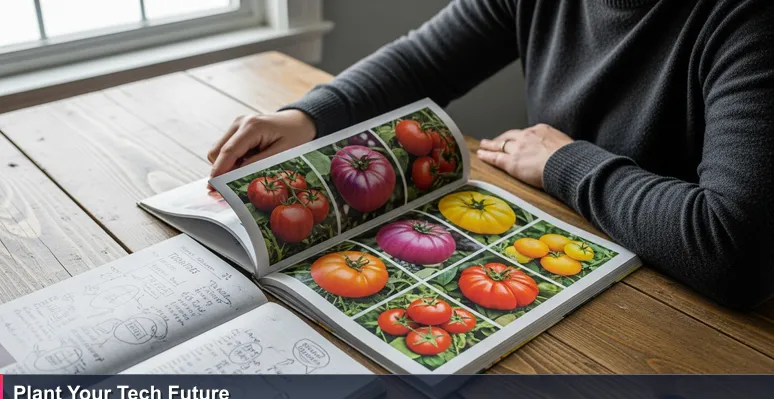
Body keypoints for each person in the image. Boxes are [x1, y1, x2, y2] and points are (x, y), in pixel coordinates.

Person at [207, 0, 774, 310]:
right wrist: (307, 117)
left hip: (685, 309)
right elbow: (423, 61)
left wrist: (564, 163)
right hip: (570, 248)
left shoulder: (748, 20)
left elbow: (733, 247)